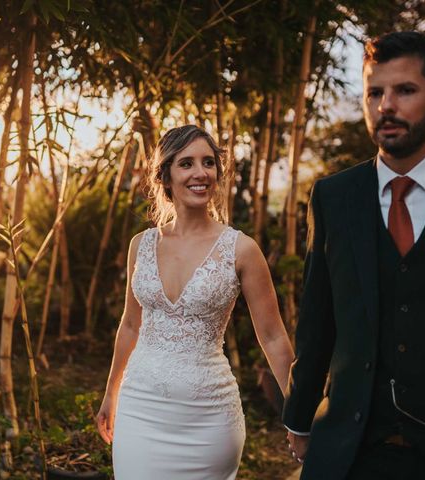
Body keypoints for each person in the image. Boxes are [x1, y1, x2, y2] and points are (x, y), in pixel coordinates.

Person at [282, 31, 425, 479]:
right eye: (374, 92)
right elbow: (317, 322)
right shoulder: (333, 197)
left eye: (404, 91)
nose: (385, 106)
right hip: (357, 450)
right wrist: (299, 418)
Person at [96, 125, 294, 479]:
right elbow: (130, 324)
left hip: (209, 419)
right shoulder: (139, 245)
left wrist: (299, 415)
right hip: (140, 410)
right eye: (186, 163)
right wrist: (111, 393)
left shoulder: (242, 249)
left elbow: (274, 337)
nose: (201, 173)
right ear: (165, 176)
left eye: (208, 163)